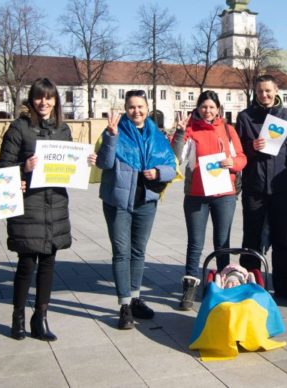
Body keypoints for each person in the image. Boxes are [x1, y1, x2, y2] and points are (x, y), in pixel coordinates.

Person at [0, 78, 96, 341]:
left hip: (56, 206)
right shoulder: (19, 128)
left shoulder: (62, 129)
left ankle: (40, 318)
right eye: (39, 97)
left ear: (56, 101)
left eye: (49, 98)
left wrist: (84, 162)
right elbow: (2, 167)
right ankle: (17, 318)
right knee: (26, 264)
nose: (44, 102)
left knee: (49, 265)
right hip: (29, 206)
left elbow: (70, 168)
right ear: (32, 100)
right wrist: (23, 168)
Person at [96, 90, 177, 329]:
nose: (136, 111)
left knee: (139, 251)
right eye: (131, 107)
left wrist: (159, 172)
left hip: (146, 201)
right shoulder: (115, 130)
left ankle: (136, 298)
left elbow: (172, 166)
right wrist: (111, 137)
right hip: (118, 202)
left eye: (140, 107)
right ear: (125, 108)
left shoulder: (156, 134)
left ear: (147, 107)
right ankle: (124, 306)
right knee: (122, 252)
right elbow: (104, 163)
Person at [172, 90, 247, 310]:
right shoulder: (190, 129)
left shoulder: (227, 129)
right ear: (197, 108)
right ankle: (189, 288)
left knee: (222, 244)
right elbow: (176, 156)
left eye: (212, 107)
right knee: (195, 244)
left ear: (218, 109)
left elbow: (242, 158)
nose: (208, 110)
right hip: (197, 196)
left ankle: (222, 285)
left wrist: (231, 162)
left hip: (224, 195)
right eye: (204, 107)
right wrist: (179, 132)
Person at [235, 74, 287, 301]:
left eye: (268, 91)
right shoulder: (245, 117)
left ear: (276, 91)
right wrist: (252, 147)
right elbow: (239, 151)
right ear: (255, 92)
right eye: (260, 91)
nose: (264, 95)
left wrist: (282, 167)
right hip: (254, 185)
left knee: (282, 238)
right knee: (251, 236)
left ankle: (284, 285)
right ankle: (252, 284)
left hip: (280, 186)